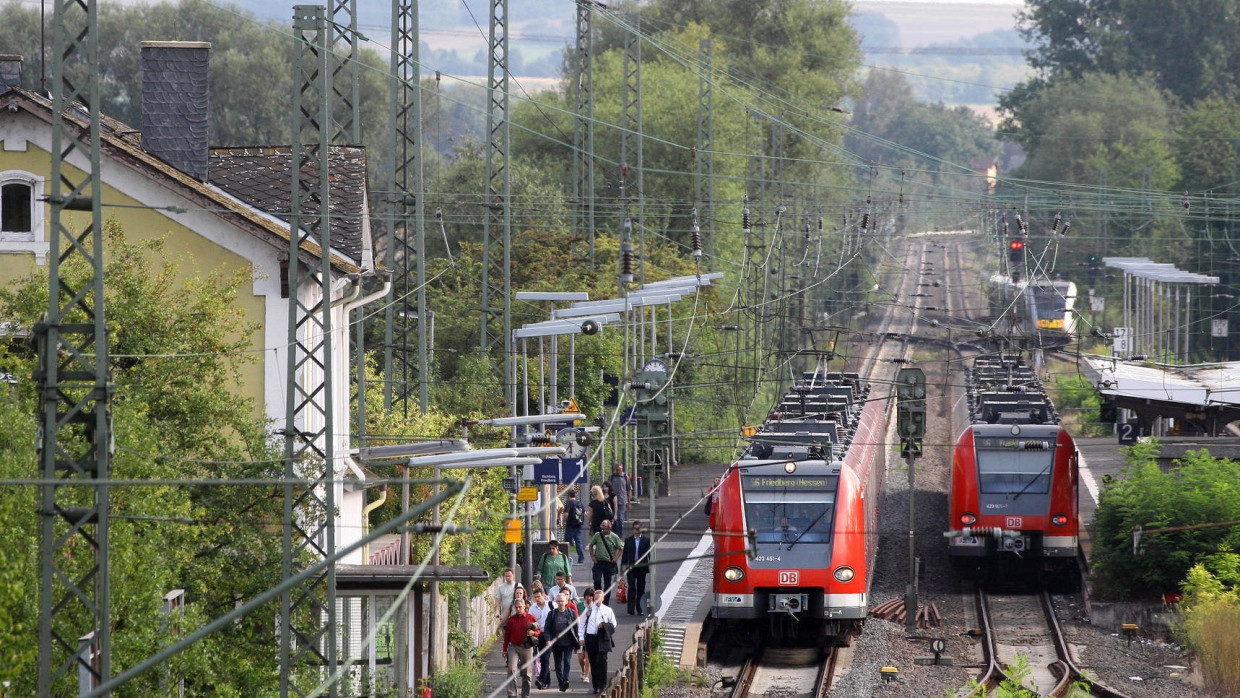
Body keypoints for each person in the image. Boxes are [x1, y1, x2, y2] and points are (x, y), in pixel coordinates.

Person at [581, 584, 618, 695]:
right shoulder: (588, 610)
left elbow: (614, 623)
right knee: (593, 661)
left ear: (603, 598)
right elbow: (582, 624)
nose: (596, 600)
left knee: (602, 661)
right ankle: (596, 686)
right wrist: (581, 638)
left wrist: (604, 625)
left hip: (602, 638)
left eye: (598, 598)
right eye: (595, 598)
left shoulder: (607, 610)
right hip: (591, 638)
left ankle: (602, 685)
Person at [501, 598, 540, 698]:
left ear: (524, 607)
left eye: (520, 607)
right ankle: (512, 694)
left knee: (527, 673)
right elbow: (507, 635)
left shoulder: (530, 617)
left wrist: (533, 633)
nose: (518, 609)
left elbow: (538, 631)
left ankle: (525, 695)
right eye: (516, 607)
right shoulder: (511, 619)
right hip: (514, 647)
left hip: (526, 647)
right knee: (511, 670)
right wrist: (504, 648)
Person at [542, 591, 580, 692]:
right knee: (558, 665)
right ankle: (561, 682)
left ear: (566, 601)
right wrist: (548, 640)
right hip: (556, 643)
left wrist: (577, 641)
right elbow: (547, 628)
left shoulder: (570, 613)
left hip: (568, 643)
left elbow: (576, 627)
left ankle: (566, 680)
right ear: (556, 602)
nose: (560, 603)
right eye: (558, 601)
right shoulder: (552, 613)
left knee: (567, 662)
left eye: (562, 601)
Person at [588, 518, 623, 605]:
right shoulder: (597, 535)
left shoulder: (614, 537)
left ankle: (605, 602)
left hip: (609, 563)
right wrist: (592, 556)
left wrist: (615, 558)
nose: (603, 529)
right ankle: (597, 598)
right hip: (598, 562)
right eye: (602, 526)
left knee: (607, 584)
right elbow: (591, 545)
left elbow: (621, 548)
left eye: (604, 527)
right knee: (597, 581)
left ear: (609, 527)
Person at [621, 520, 650, 615]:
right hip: (631, 567)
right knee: (632, 587)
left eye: (638, 528)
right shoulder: (628, 540)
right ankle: (630, 609)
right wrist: (623, 568)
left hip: (641, 567)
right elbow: (625, 555)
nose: (636, 530)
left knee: (641, 588)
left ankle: (640, 609)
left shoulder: (646, 540)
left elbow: (649, 554)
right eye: (635, 528)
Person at [528, 588, 552, 689]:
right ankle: (547, 680)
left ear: (543, 595)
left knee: (545, 658)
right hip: (536, 635)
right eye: (535, 597)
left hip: (548, 635)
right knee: (539, 658)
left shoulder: (551, 605)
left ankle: (542, 680)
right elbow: (529, 622)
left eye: (539, 596)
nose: (537, 599)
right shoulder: (532, 608)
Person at [560, 488, 587, 564]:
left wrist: (563, 521)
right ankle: (581, 559)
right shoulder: (579, 502)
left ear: (568, 495)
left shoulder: (569, 502)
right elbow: (584, 513)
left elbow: (566, 514)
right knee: (578, 542)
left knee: (567, 542)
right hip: (578, 524)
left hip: (570, 525)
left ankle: (565, 559)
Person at [576, 587, 594, 685]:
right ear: (584, 596)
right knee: (580, 656)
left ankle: (586, 676)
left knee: (588, 656)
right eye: (587, 596)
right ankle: (583, 671)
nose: (589, 598)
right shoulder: (579, 605)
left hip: (590, 634)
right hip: (580, 633)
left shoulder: (595, 607)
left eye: (591, 596)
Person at [608, 464, 632, 536]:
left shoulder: (625, 477)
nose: (618, 471)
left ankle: (619, 535)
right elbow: (607, 488)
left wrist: (629, 502)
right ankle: (613, 534)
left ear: (622, 469)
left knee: (620, 518)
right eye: (617, 470)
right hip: (612, 501)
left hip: (622, 501)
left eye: (620, 469)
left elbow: (629, 490)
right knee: (613, 518)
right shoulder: (612, 477)